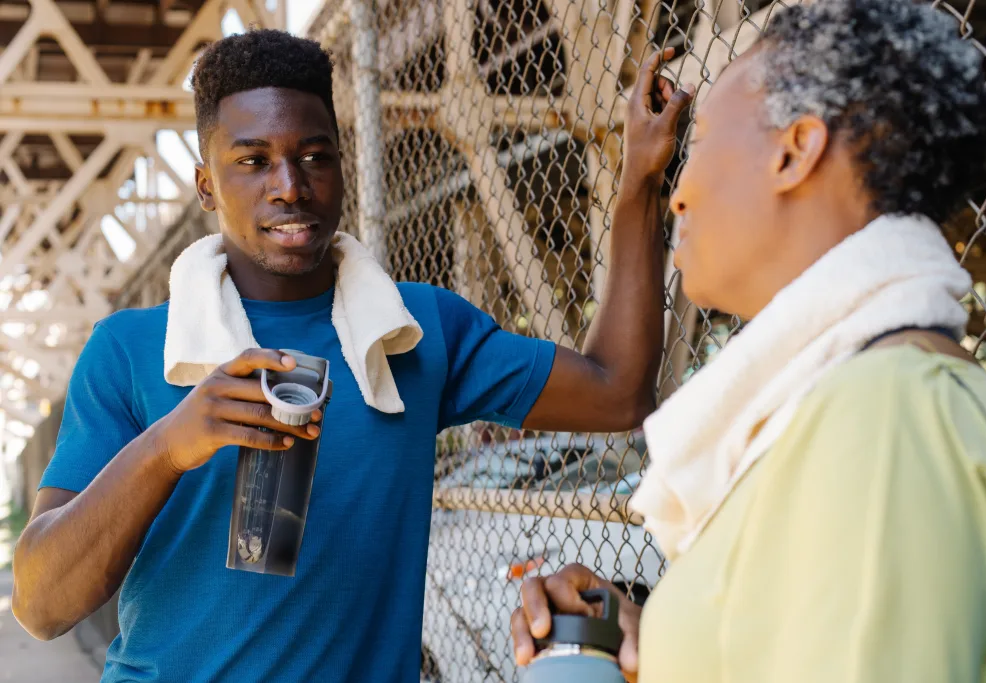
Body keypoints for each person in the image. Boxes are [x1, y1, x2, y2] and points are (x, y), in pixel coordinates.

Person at [10, 30, 693, 682]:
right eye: (252, 160)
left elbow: (617, 389)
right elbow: (42, 605)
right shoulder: (131, 349)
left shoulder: (414, 328)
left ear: (341, 162)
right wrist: (170, 445)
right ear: (205, 185)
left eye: (314, 155)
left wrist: (637, 179)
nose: (289, 185)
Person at [512, 1, 986, 682]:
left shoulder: (887, 417)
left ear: (794, 150)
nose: (677, 195)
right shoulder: (845, 409)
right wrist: (652, 639)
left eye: (695, 149)